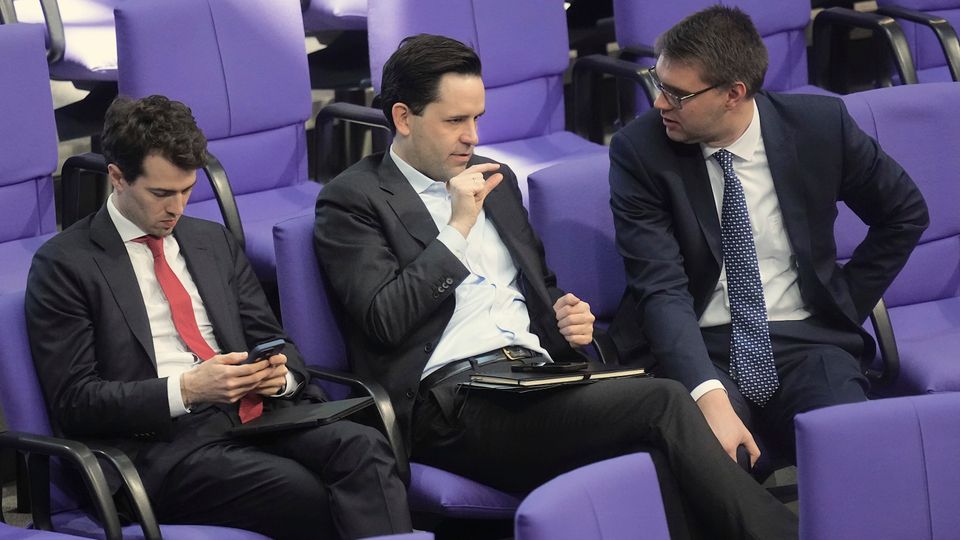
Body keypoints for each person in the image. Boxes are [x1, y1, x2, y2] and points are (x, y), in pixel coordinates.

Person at [315, 33, 797, 540]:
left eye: (477, 118)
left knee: (657, 459)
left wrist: (567, 321)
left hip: (537, 380)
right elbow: (385, 319)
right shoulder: (353, 200)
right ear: (403, 117)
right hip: (451, 405)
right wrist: (456, 229)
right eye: (454, 121)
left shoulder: (496, 180)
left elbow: (540, 288)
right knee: (664, 402)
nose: (472, 137)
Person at [26, 95, 412, 540]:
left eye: (187, 190)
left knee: (366, 449)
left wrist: (278, 376)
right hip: (160, 446)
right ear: (117, 177)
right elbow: (76, 401)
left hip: (256, 415)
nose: (176, 208)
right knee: (300, 490)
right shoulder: (64, 264)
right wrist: (188, 389)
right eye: (161, 194)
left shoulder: (212, 241)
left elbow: (274, 340)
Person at [608, 5, 928, 468]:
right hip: (701, 343)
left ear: (733, 94)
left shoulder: (820, 127)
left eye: (677, 94)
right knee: (714, 463)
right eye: (660, 84)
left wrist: (844, 302)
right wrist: (707, 394)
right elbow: (660, 287)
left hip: (808, 341)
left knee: (856, 452)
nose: (659, 103)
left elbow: (904, 213)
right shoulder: (640, 151)